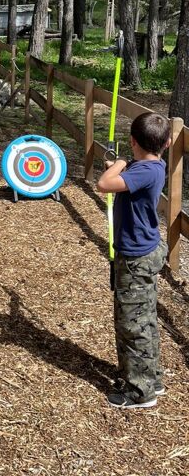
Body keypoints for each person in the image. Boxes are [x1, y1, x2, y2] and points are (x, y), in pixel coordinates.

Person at [97, 111, 171, 410]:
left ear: (132, 141)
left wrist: (118, 165)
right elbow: (121, 182)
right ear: (165, 143)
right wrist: (122, 168)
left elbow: (104, 184)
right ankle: (150, 377)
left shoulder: (142, 171)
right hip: (144, 251)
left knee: (133, 324)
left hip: (136, 257)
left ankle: (141, 392)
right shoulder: (153, 166)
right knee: (145, 318)